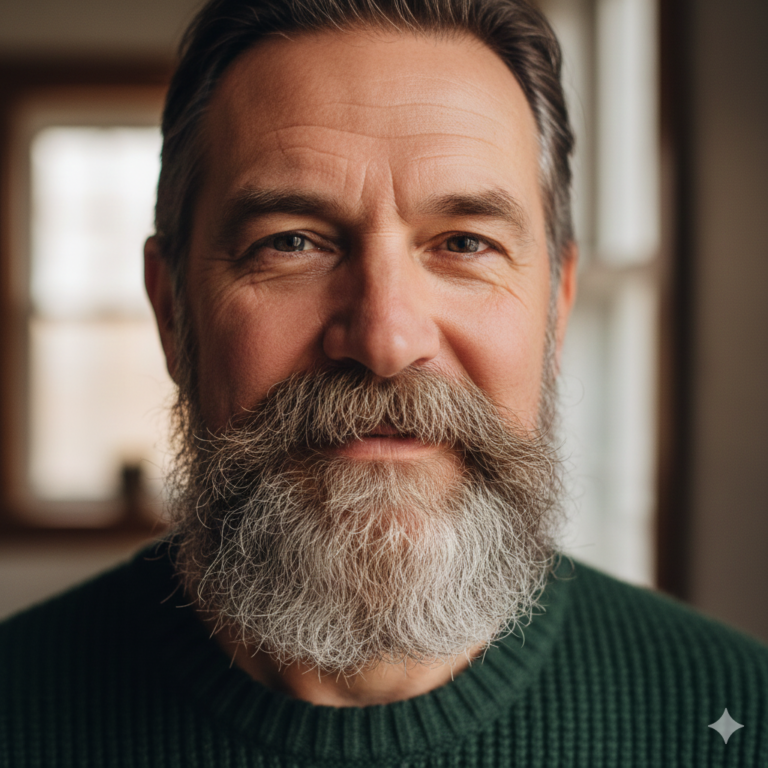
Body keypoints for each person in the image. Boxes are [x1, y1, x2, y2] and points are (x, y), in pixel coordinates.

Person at [1, 0, 766, 765]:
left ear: (555, 312)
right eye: (291, 242)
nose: (386, 339)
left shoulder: (736, 720)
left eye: (465, 243)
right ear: (172, 312)